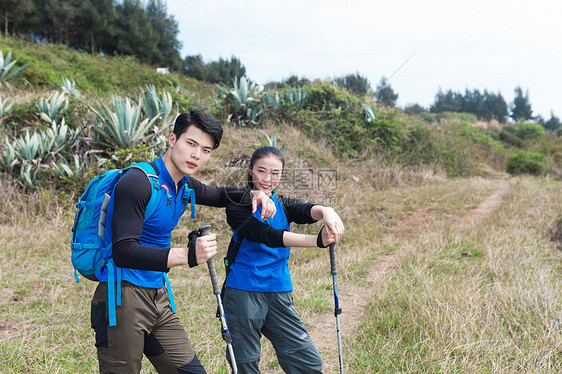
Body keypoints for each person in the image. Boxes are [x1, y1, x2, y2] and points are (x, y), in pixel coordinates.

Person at [90, 111, 276, 374]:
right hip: (121, 298)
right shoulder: (138, 182)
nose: (196, 155)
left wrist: (254, 193)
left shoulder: (184, 185)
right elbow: (123, 251)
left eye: (206, 150)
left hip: (158, 297)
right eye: (191, 144)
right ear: (172, 139)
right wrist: (188, 255)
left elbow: (219, 194)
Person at [223, 146, 345, 373]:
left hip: (279, 291)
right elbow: (267, 236)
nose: (267, 179)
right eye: (261, 171)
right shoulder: (237, 206)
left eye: (275, 173)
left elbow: (307, 210)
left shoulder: (283, 204)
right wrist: (317, 241)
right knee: (245, 362)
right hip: (243, 291)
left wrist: (327, 210)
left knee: (308, 362)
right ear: (250, 170)